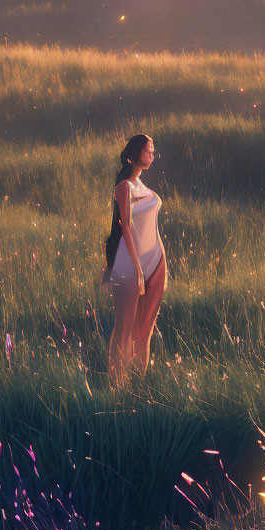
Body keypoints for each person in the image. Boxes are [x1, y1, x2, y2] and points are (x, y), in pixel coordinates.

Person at [101, 133, 167, 387]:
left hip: (156, 260)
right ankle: (117, 386)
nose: (152, 155)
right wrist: (138, 268)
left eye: (153, 151)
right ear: (137, 152)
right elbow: (125, 225)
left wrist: (155, 264)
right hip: (130, 264)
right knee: (124, 328)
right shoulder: (124, 188)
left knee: (145, 331)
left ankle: (139, 386)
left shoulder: (144, 188)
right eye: (149, 151)